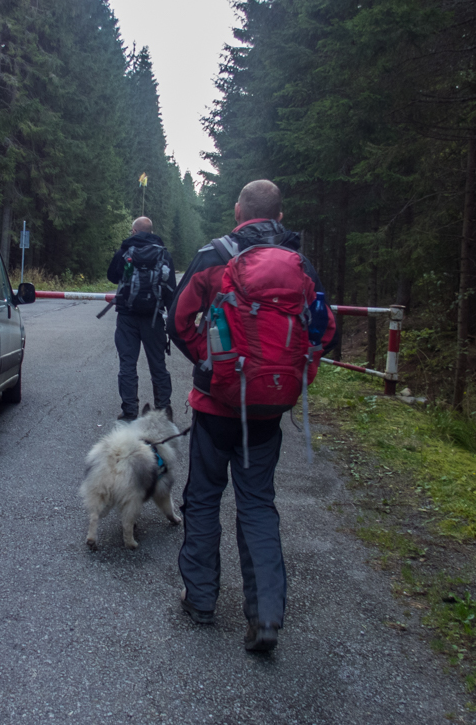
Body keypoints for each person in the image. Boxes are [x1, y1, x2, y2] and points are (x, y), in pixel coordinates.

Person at [166, 179, 335, 653]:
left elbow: (177, 321)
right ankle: (265, 618)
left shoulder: (213, 257)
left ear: (239, 212)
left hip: (216, 408)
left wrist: (210, 361)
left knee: (202, 500)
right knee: (257, 504)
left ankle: (199, 601)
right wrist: (293, 374)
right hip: (267, 412)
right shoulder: (301, 266)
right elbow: (326, 330)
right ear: (280, 218)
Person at [107, 216, 177, 422]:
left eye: (131, 231)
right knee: (158, 364)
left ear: (136, 232)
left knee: (127, 364)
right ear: (151, 232)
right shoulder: (163, 254)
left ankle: (129, 410)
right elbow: (171, 289)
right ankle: (163, 409)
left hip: (127, 317)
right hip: (154, 317)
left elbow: (112, 276)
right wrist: (172, 319)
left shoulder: (124, 252)